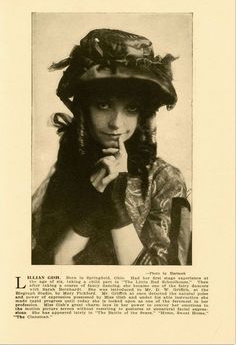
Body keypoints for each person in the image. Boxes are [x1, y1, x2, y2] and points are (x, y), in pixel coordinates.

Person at [32, 28, 191, 265]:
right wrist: (91, 204)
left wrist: (116, 206)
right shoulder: (66, 169)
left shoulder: (166, 180)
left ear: (143, 114)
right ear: (85, 109)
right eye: (103, 105)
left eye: (131, 108)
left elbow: (164, 283)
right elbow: (49, 264)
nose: (116, 124)